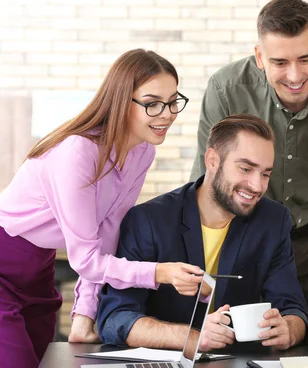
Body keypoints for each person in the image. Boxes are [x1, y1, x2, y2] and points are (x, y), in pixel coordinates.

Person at [0, 49, 204, 368]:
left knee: (42, 360)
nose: (167, 114)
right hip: (5, 257)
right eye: (152, 103)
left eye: (173, 101)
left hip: (39, 268)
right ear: (122, 101)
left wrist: (85, 314)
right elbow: (86, 259)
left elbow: (106, 236)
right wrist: (161, 272)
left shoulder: (141, 153)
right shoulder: (78, 153)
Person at [190, 0, 308, 311]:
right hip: (243, 229)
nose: (294, 75)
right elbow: (206, 183)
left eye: (305, 58)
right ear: (260, 57)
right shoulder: (226, 89)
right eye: (279, 63)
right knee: (238, 337)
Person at [97, 114, 308, 351]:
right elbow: (115, 319)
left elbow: (293, 308)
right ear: (212, 160)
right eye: (245, 168)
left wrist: (288, 329)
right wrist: (192, 338)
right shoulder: (149, 220)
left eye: (265, 174)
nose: (257, 185)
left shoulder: (273, 220)